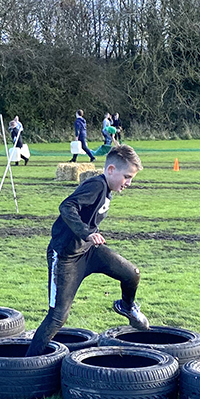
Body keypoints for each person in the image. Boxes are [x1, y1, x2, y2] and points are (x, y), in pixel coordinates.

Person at [25, 145, 149, 357]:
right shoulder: (96, 185)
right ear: (111, 170)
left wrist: (89, 237)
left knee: (131, 274)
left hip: (90, 251)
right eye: (127, 177)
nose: (129, 183)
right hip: (65, 257)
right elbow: (67, 206)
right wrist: (86, 233)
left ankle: (127, 307)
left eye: (131, 178)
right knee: (57, 317)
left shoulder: (107, 189)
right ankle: (28, 363)